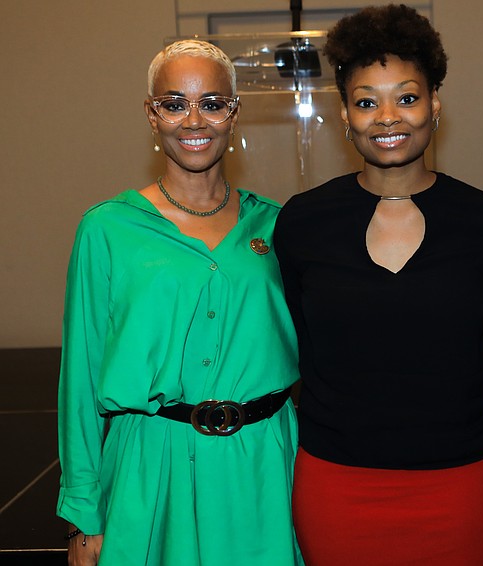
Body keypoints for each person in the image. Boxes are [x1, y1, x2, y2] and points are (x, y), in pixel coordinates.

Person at [273, 4, 483, 565]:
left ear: (434, 105)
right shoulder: (304, 221)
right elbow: (298, 343)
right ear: (345, 114)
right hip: (337, 485)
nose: (387, 117)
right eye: (365, 101)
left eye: (406, 97)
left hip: (462, 483)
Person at [57, 40, 302, 565]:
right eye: (174, 103)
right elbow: (80, 376)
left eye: (212, 103)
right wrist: (83, 512)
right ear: (152, 113)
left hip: (261, 466)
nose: (194, 120)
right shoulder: (107, 229)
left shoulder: (281, 225)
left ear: (233, 113)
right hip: (150, 464)